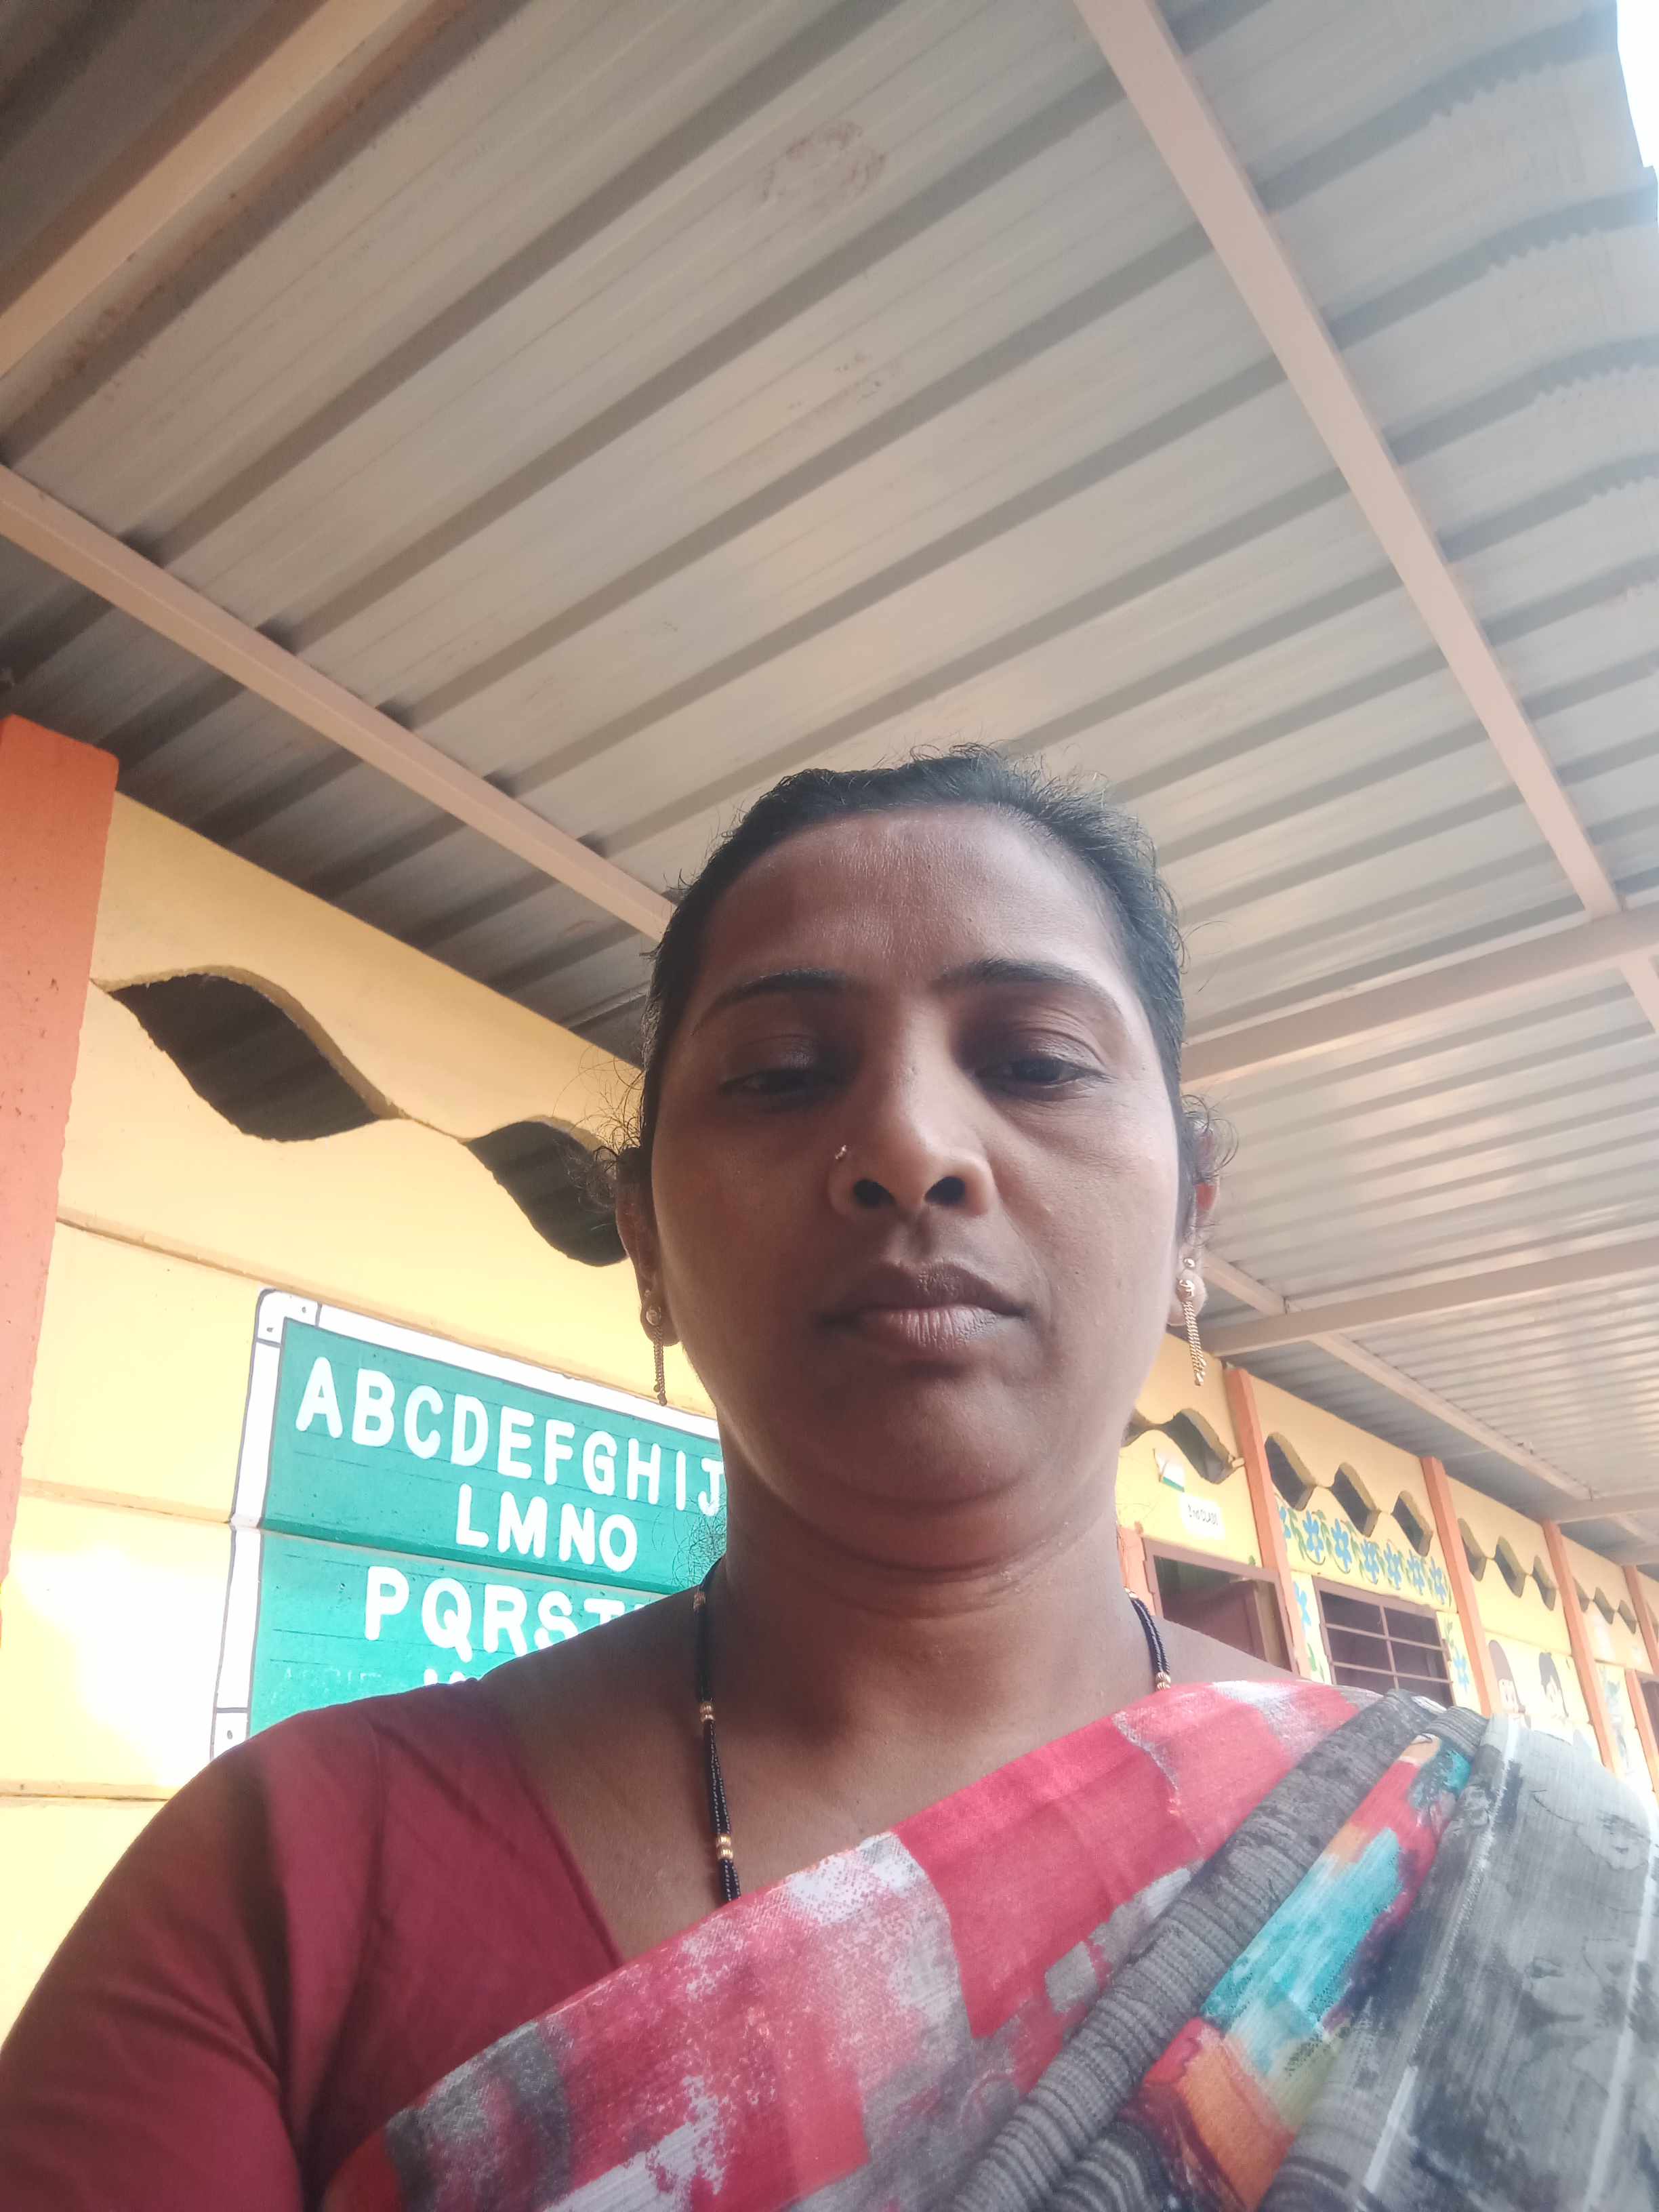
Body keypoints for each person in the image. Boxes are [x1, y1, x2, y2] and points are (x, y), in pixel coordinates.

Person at [1, 750, 1653, 2210]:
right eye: (784, 1075)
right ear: (646, 1242)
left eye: (1035, 1059)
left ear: (1190, 1223)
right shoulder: (294, 1885)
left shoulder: (1506, 1875)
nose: (912, 1145)